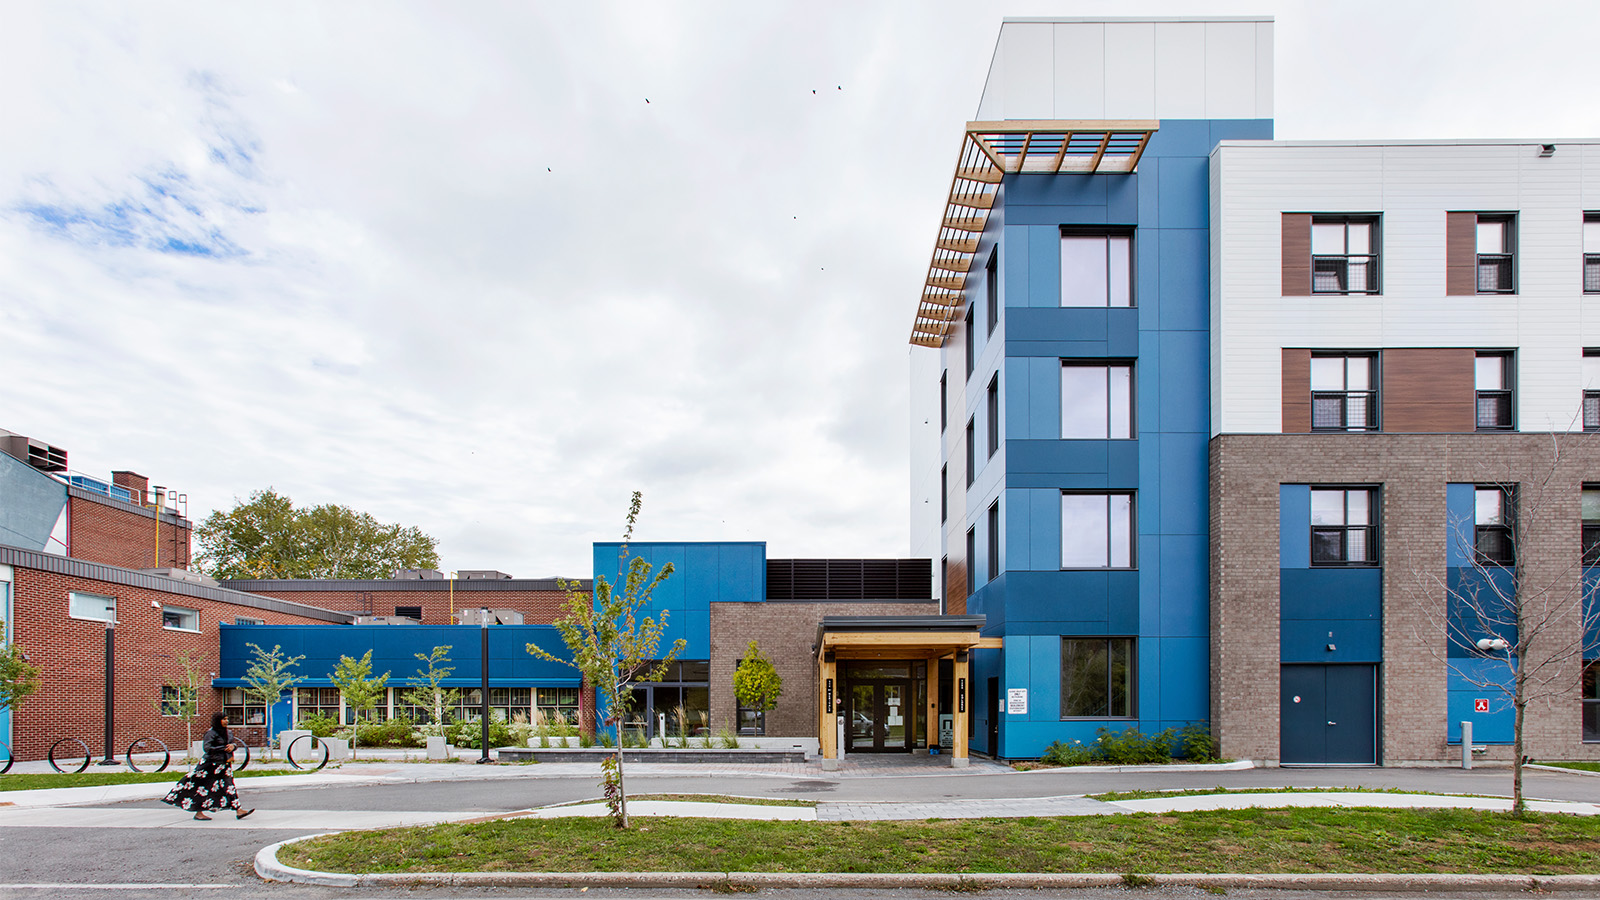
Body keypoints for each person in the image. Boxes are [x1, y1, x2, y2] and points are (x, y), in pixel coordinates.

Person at [162, 712, 254, 820]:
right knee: (202, 787)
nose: (226, 721)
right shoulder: (211, 733)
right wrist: (223, 748)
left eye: (227, 718)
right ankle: (198, 812)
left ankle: (238, 810)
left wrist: (233, 747)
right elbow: (207, 748)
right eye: (224, 719)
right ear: (217, 720)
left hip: (224, 765)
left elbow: (232, 744)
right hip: (210, 765)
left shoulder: (228, 732)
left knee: (229, 786)